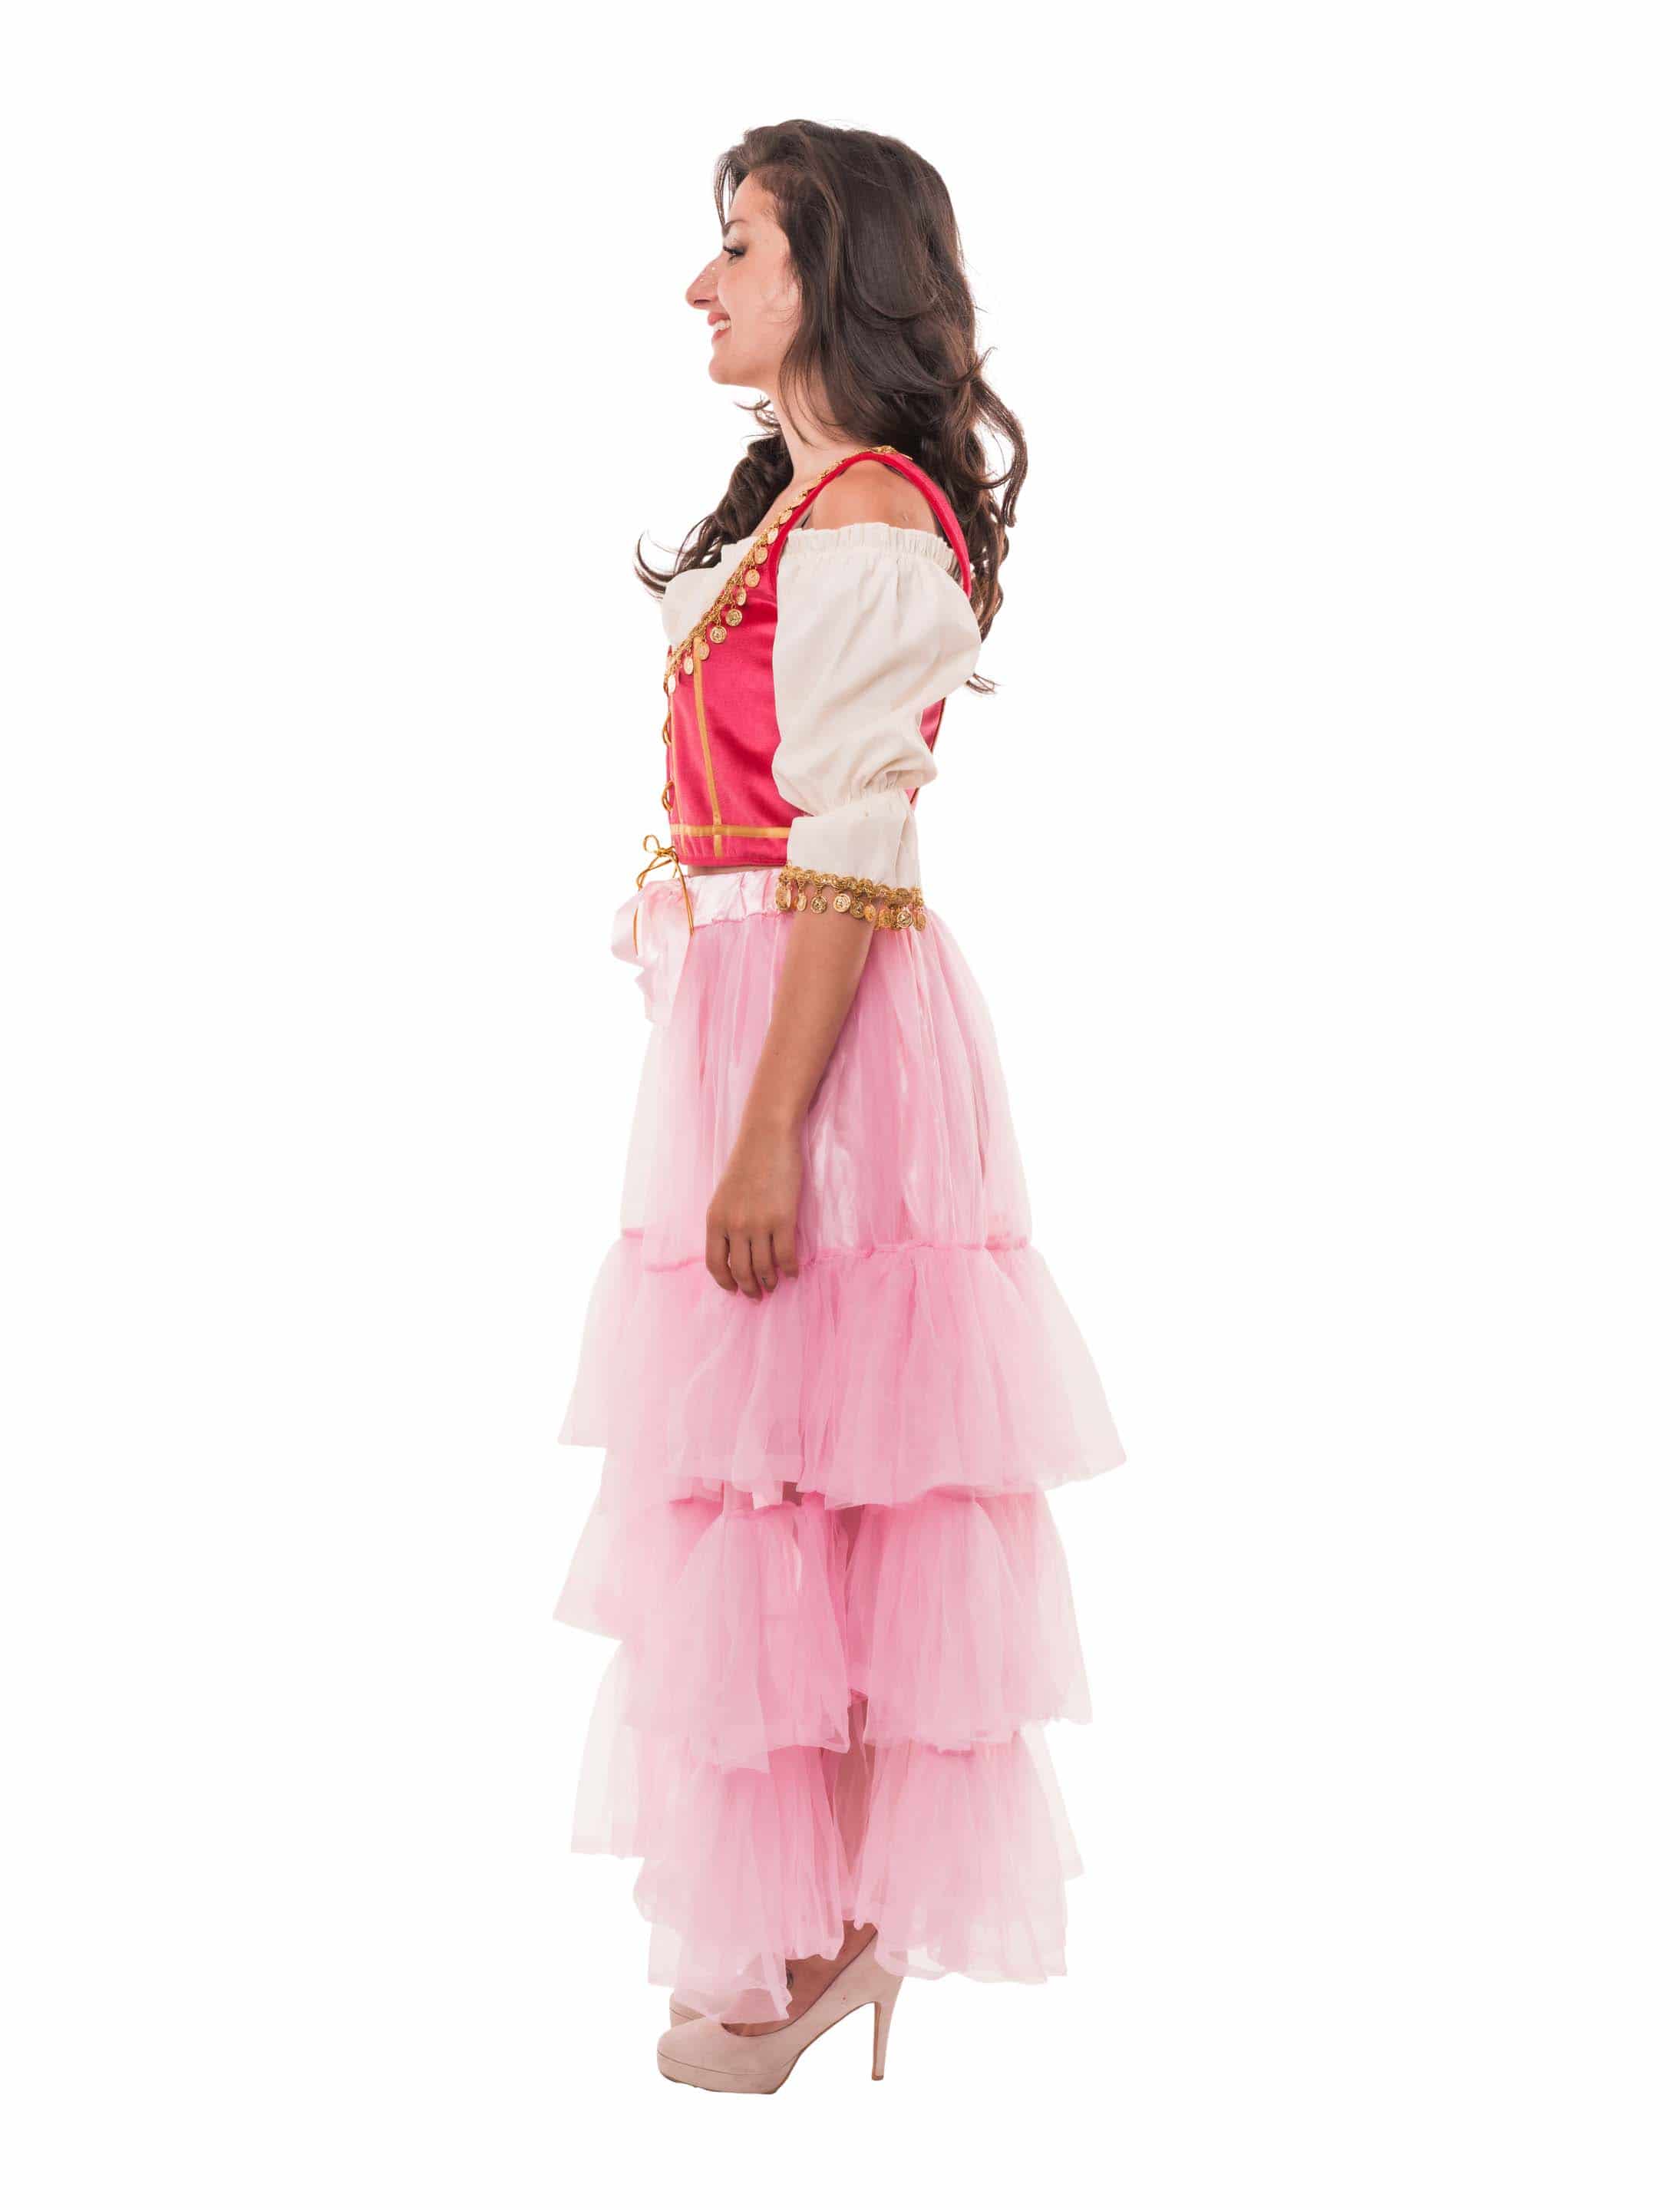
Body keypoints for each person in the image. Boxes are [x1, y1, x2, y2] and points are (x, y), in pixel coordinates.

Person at [554, 119, 1124, 2093]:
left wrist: (768, 1129)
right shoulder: (807, 508)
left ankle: (844, 1923)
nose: (700, 283)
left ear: (834, 276)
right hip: (754, 1006)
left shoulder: (870, 516)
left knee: (828, 1465)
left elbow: (853, 847)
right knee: (770, 1468)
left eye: (741, 246)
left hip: (825, 1021)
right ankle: (824, 1914)